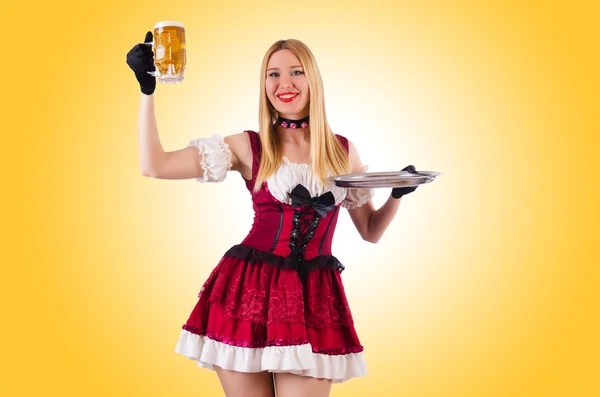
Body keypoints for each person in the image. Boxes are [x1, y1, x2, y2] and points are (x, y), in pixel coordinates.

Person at [126, 34, 419, 397]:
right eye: (273, 74)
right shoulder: (247, 145)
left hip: (314, 300)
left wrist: (398, 194)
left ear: (313, 79)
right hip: (248, 292)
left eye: (296, 72)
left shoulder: (342, 150)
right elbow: (155, 166)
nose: (285, 83)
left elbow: (371, 231)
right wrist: (147, 89)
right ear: (264, 85)